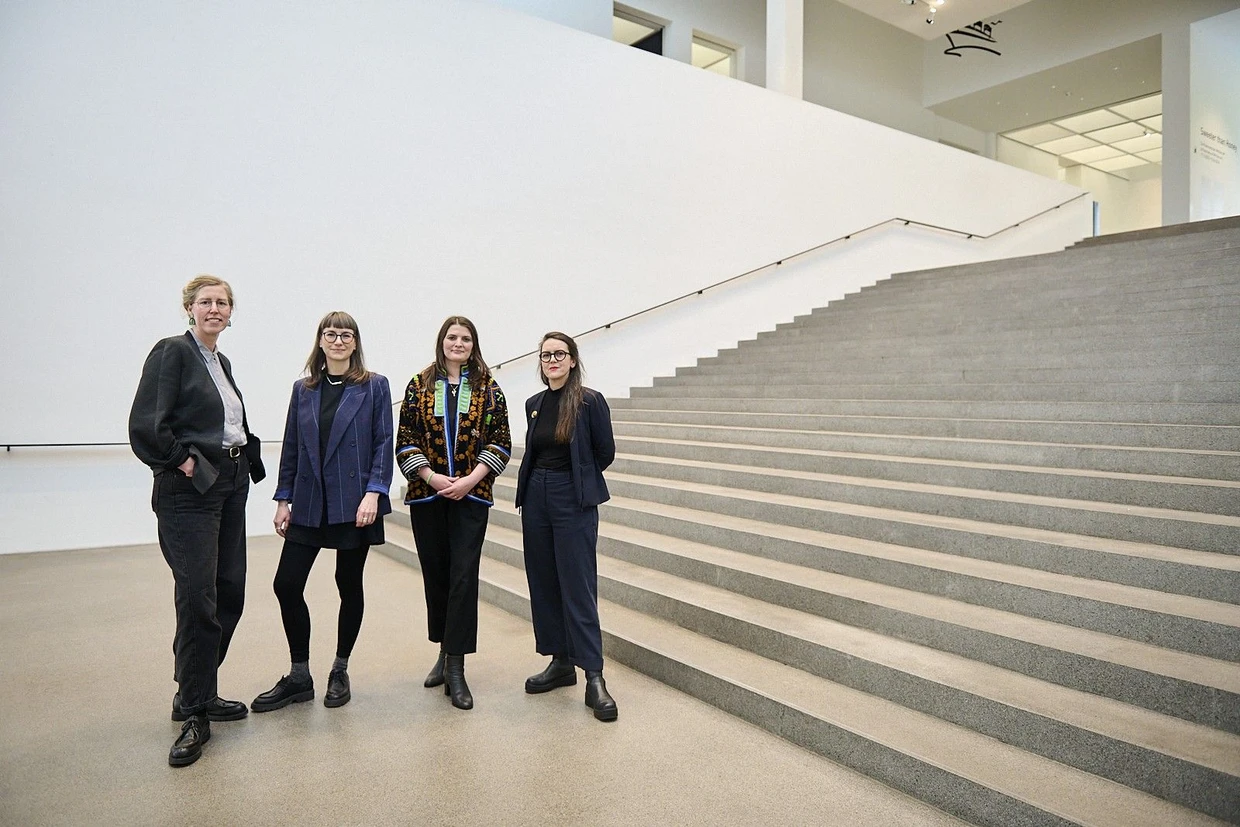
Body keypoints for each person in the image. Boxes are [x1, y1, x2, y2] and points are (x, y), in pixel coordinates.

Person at [129, 275, 266, 767]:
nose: (214, 309)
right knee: (197, 597)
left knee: (229, 589)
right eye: (205, 302)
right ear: (189, 308)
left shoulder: (219, 361)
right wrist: (183, 460)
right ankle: (191, 712)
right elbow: (147, 423)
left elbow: (224, 421)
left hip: (229, 484)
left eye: (222, 302)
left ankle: (201, 689)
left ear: (231, 312)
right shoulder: (172, 352)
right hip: (189, 490)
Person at [251, 312, 394, 714]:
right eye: (331, 334)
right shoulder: (304, 389)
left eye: (346, 334)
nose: (338, 340)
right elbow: (292, 445)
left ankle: (340, 669)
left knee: (348, 584)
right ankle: (299, 675)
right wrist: (283, 499)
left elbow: (384, 441)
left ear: (355, 342)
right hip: (311, 499)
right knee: (286, 584)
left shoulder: (374, 386)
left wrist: (374, 493)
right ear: (320, 340)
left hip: (355, 503)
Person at [396, 316, 511, 710]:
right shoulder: (418, 384)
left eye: (465, 338)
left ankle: (458, 668)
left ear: (473, 344)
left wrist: (469, 480)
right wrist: (430, 478)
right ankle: (444, 653)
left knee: (463, 576)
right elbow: (406, 438)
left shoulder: (487, 386)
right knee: (437, 574)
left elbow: (501, 440)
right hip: (427, 496)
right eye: (452, 337)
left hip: (471, 496)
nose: (458, 343)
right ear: (441, 342)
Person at [514, 332, 618, 722]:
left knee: (578, 583)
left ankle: (594, 674)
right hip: (536, 496)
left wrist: (578, 480)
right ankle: (560, 663)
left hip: (571, 498)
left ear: (573, 360)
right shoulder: (535, 404)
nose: (552, 360)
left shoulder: (589, 402)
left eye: (560, 354)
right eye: (546, 355)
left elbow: (603, 452)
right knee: (544, 581)